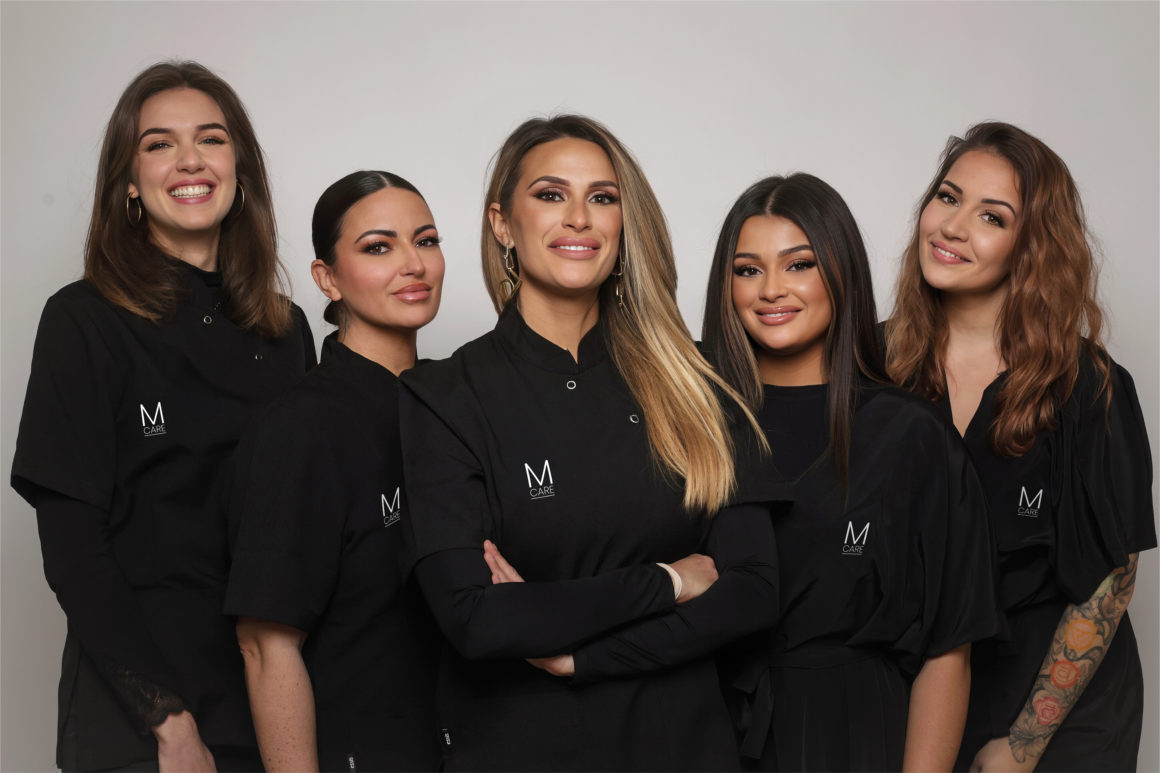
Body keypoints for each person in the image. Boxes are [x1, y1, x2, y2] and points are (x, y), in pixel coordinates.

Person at [398, 114, 787, 771]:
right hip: (519, 752)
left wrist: (580, 656)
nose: (578, 217)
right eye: (551, 194)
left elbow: (752, 593)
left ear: (624, 223)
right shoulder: (443, 396)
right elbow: (476, 619)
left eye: (602, 198)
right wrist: (669, 580)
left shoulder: (697, 381)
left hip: (684, 751)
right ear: (502, 223)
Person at [10, 61, 315, 772]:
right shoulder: (83, 320)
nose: (189, 161)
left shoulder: (285, 330)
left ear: (240, 169)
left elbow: (306, 534)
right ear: (128, 181)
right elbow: (73, 549)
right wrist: (169, 724)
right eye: (158, 144)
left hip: (271, 710)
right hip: (143, 724)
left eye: (210, 138)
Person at [701, 173, 1002, 771]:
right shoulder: (686, 413)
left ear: (841, 272)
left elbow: (949, 648)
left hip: (854, 733)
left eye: (799, 264)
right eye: (748, 270)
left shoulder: (909, 433)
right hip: (699, 727)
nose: (771, 290)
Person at [885, 122, 1156, 772]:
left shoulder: (1089, 385)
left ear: (1032, 246)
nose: (953, 227)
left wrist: (1024, 743)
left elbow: (1110, 581)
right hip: (924, 695)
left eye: (992, 216)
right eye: (948, 197)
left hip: (1059, 709)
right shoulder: (873, 365)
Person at [224, 171, 444, 772]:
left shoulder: (455, 403)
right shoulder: (300, 429)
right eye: (378, 247)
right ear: (327, 279)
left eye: (426, 241)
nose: (413, 264)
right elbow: (265, 646)